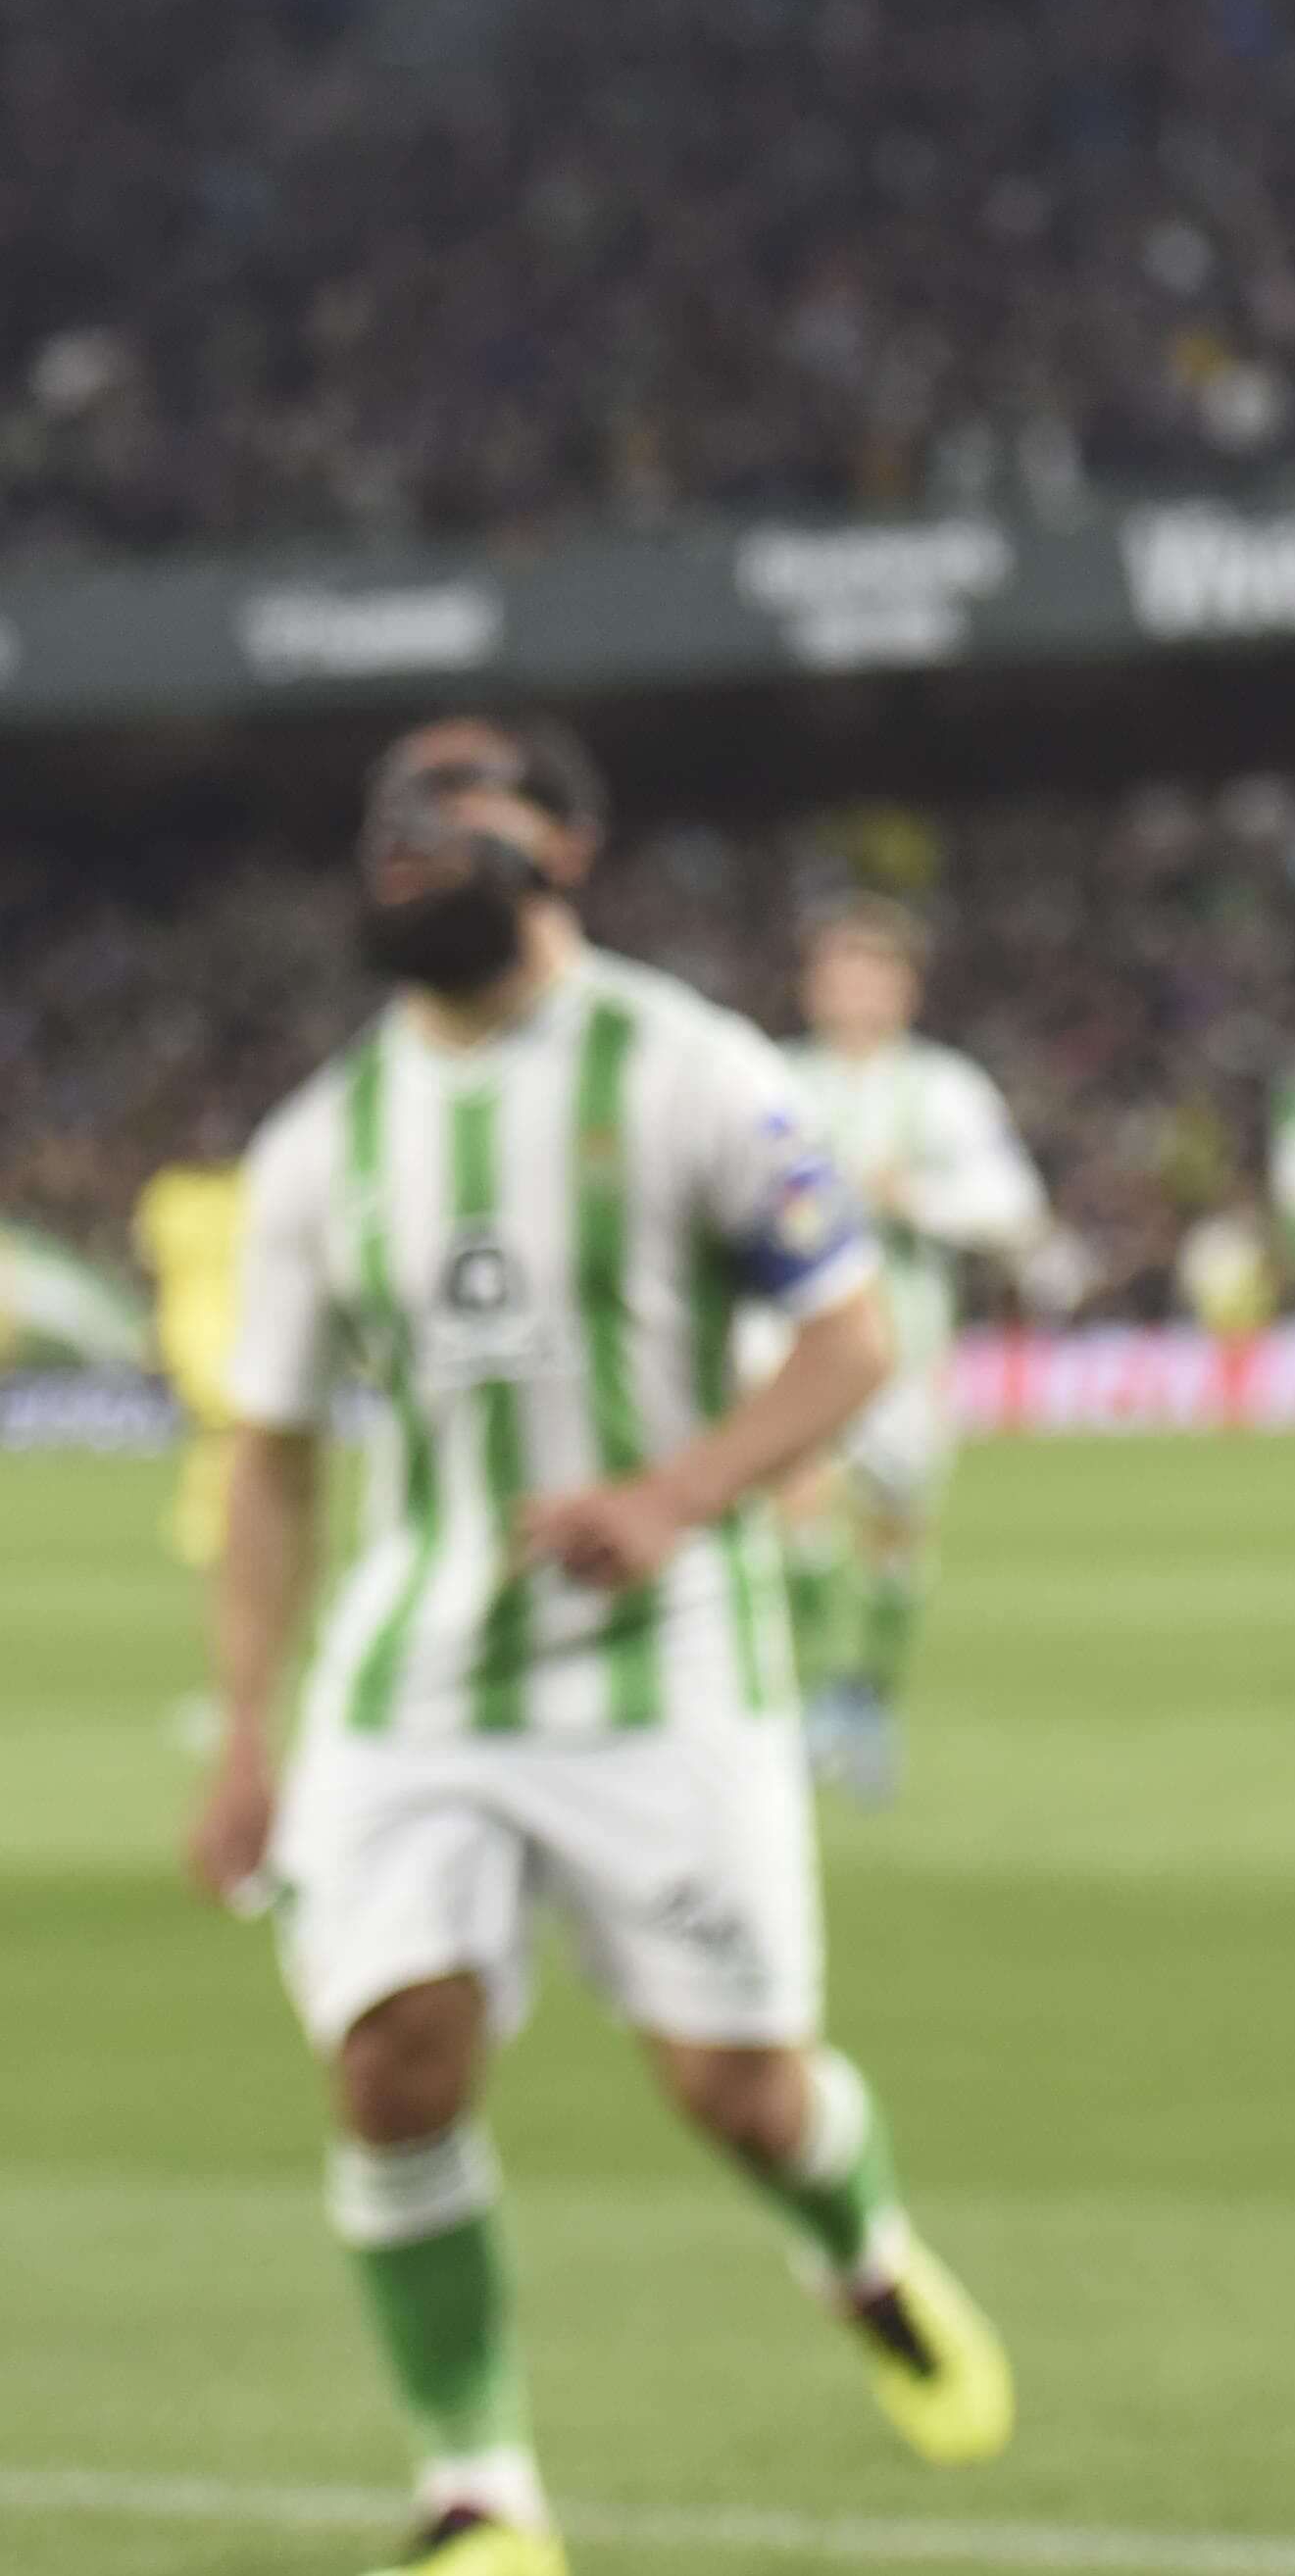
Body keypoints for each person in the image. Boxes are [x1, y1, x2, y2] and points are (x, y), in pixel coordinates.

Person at [180, 717, 1016, 2576]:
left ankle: (857, 2251)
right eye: (391, 824)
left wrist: (676, 1496)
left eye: (462, 816)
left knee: (736, 2088)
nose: (416, 845)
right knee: (392, 2052)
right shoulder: (326, 1142)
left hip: (664, 1668)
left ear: (560, 849)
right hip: (414, 1681)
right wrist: (245, 1728)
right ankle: (478, 2483)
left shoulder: (692, 1070)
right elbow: (275, 1460)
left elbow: (850, 1339)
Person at [758, 897, 1050, 1806]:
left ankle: (866, 1698)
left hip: (904, 1351)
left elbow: (1014, 1209)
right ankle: (808, 1698)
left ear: (904, 989)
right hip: (790, 1343)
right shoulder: (769, 1079)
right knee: (796, 1508)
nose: (851, 990)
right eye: (836, 972)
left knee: (894, 1531)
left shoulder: (945, 1088)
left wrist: (913, 1196)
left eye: (870, 972)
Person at [137, 1140, 251, 1579]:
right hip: (230, 1330)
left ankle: (205, 1521)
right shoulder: (246, 1191)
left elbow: (149, 1261)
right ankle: (210, 1522)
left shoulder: (168, 1197)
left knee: (219, 1433)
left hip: (188, 1333)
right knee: (229, 1432)